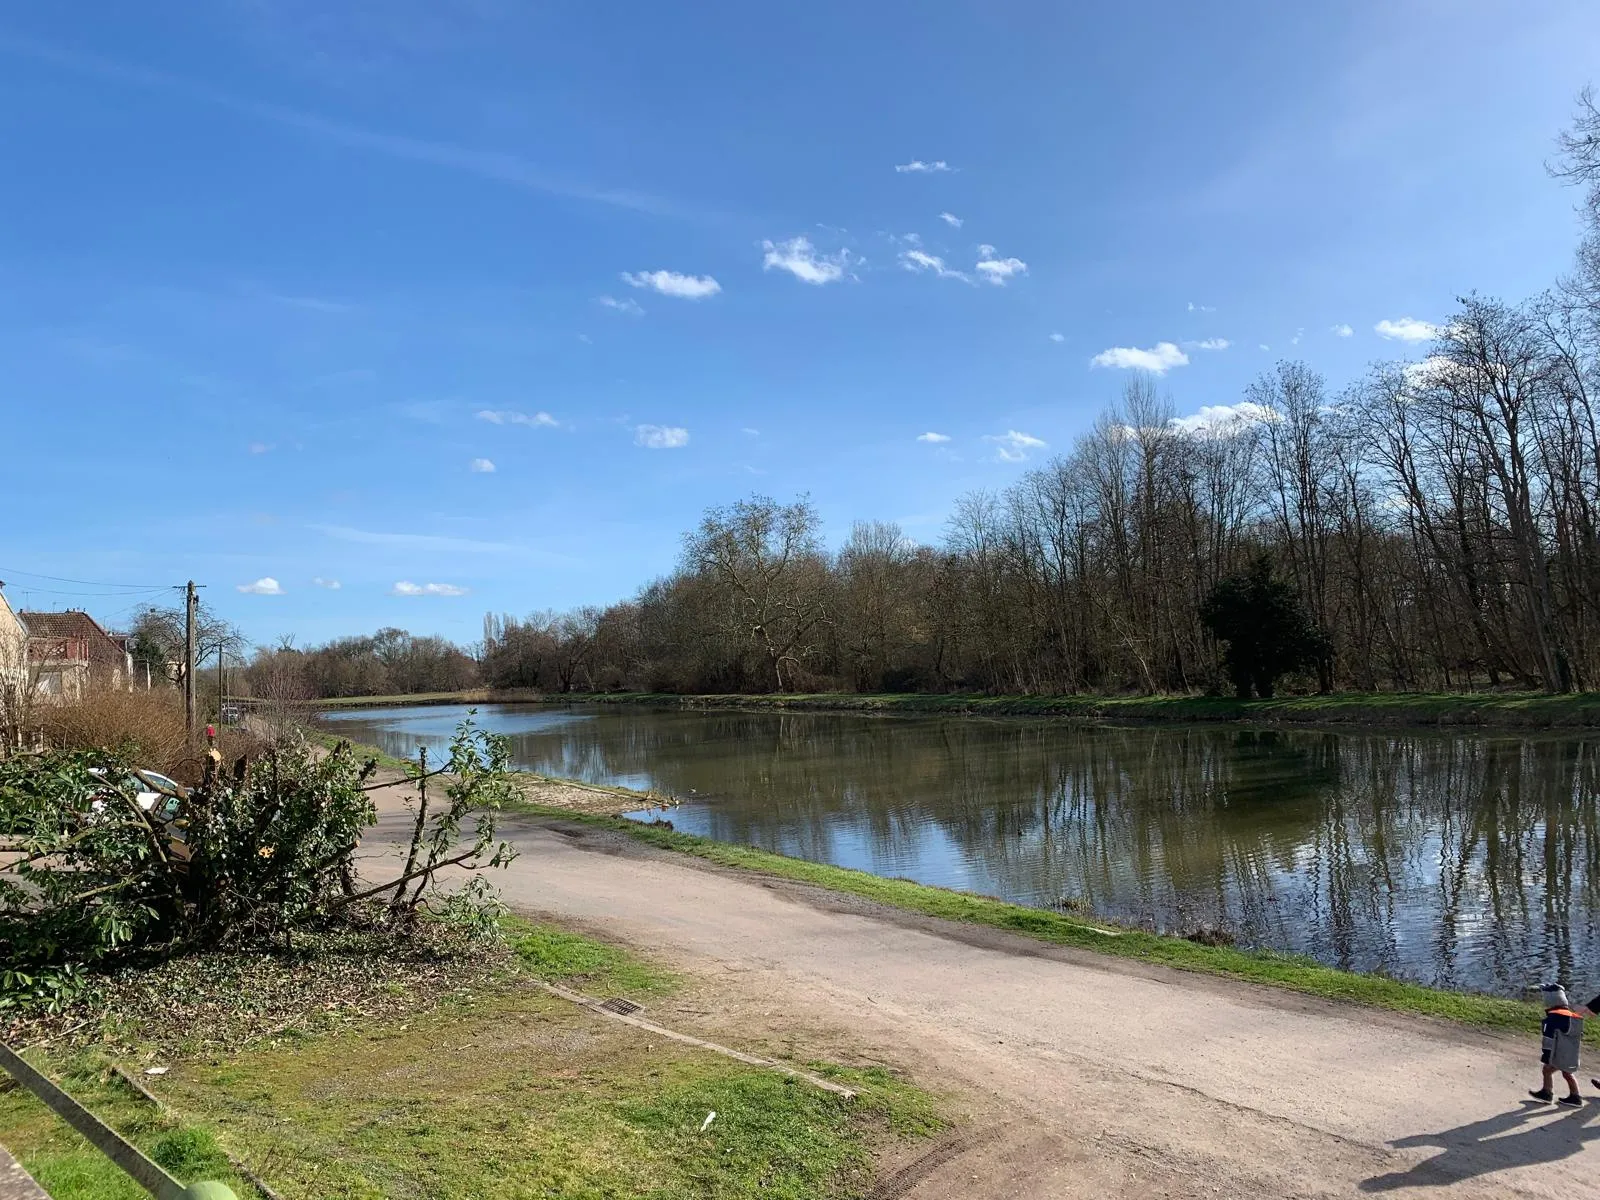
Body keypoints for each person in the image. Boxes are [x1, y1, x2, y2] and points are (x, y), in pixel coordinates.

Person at [1531, 983, 1585, 1107]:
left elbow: (1548, 1038)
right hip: (1572, 1053)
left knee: (1547, 1069)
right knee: (1566, 1072)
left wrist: (1546, 1056)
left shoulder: (1553, 1017)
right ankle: (1573, 1095)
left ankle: (1548, 1093)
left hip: (1557, 1052)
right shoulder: (1573, 1016)